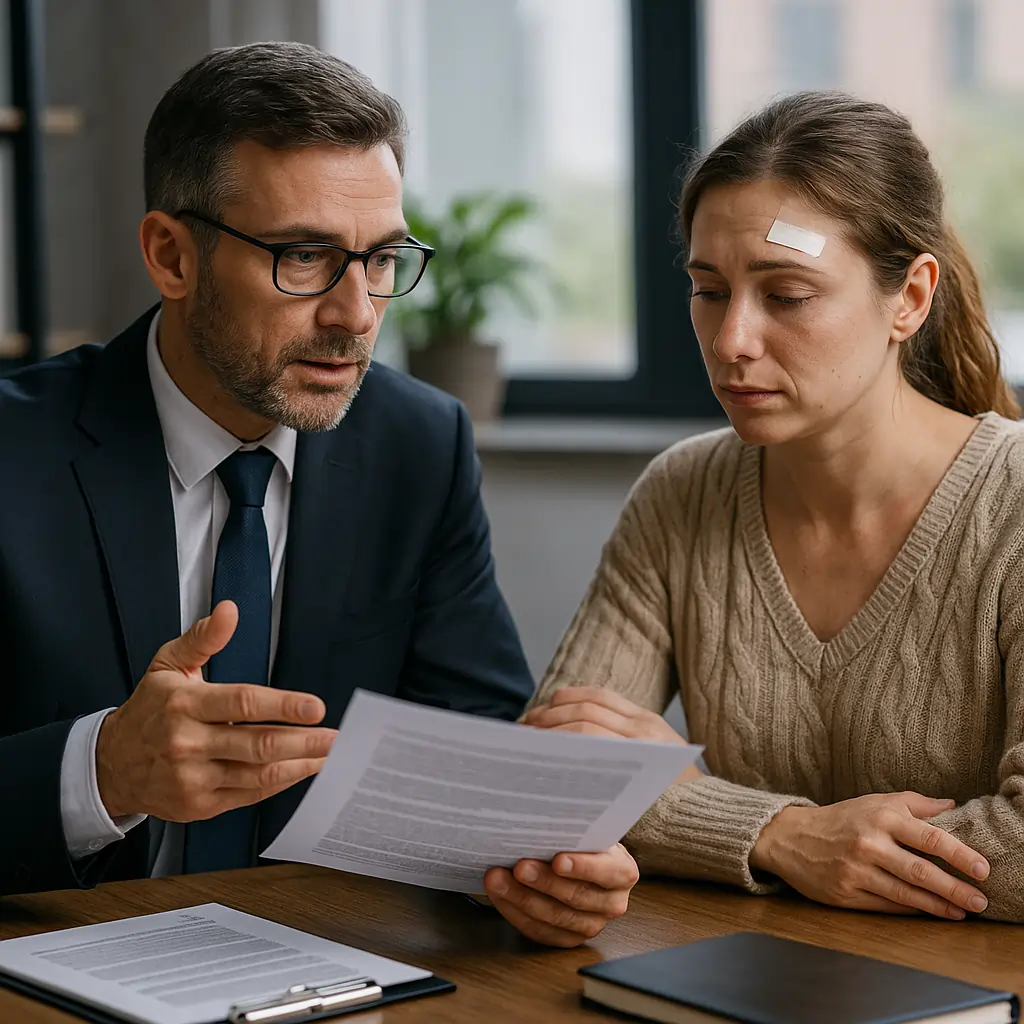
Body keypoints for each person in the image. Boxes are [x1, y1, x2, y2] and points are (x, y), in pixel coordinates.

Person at [0, 41, 638, 947]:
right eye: (304, 256)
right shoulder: (16, 454)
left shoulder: (421, 444)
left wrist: (542, 865)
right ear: (171, 256)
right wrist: (101, 772)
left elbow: (474, 746)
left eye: (381, 259)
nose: (357, 313)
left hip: (325, 958)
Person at [524, 91, 1024, 923]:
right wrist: (783, 835)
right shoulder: (682, 492)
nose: (731, 342)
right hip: (738, 973)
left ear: (909, 298)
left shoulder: (1014, 505)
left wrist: (678, 799)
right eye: (709, 290)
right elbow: (549, 779)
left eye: (787, 295)